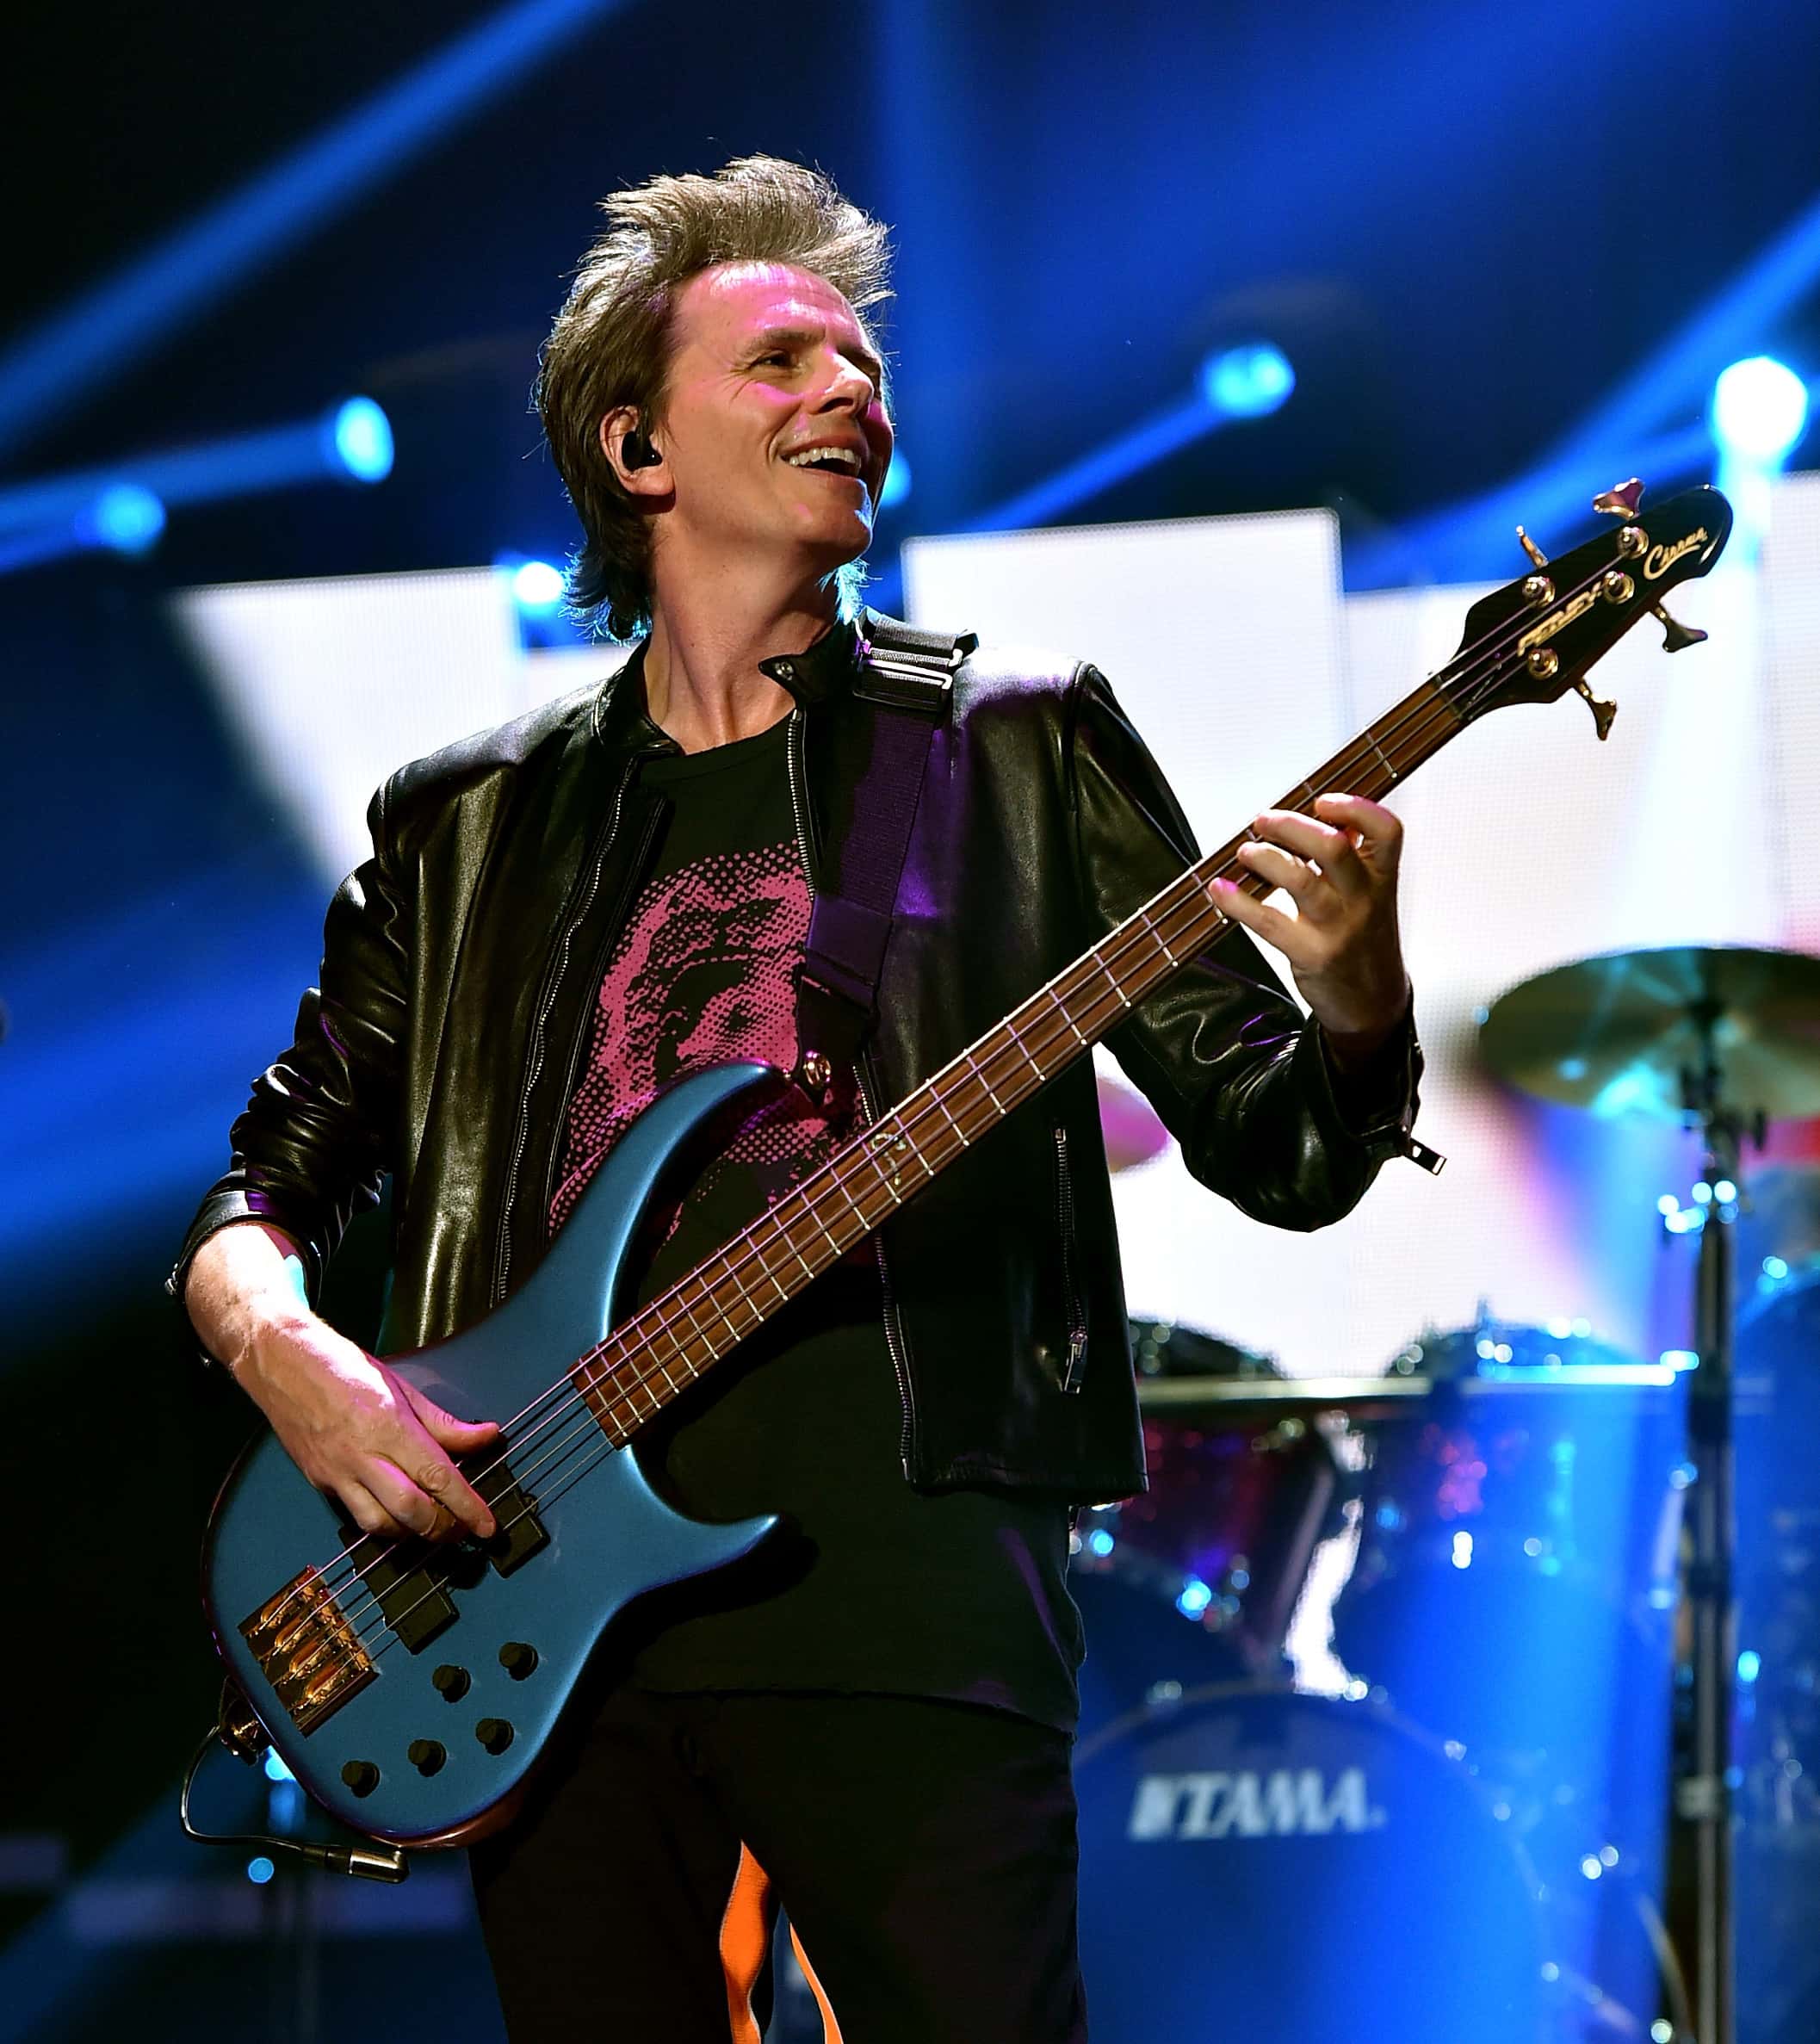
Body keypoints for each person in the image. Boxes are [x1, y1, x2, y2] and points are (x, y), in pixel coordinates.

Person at [175, 156, 1423, 2043]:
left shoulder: (1011, 737)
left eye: (863, 366)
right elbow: (268, 1179)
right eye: (779, 360)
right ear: (636, 449)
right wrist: (288, 1354)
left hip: (905, 1599)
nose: (850, 390)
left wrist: (1353, 991)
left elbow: (1287, 1148)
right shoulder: (465, 821)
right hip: (532, 1616)